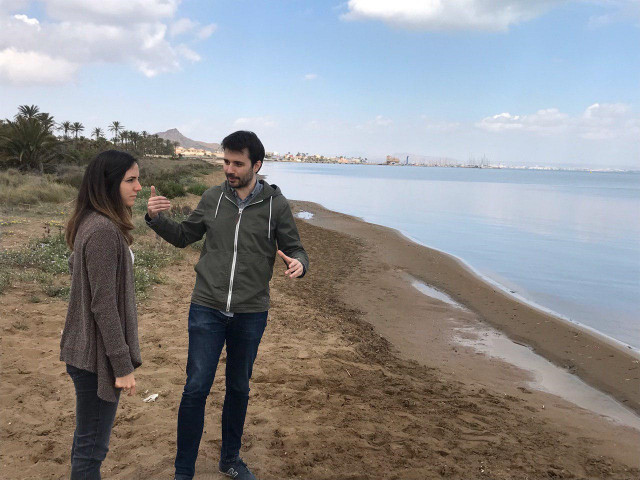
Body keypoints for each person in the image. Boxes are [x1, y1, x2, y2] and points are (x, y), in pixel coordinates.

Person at [146, 131, 309, 480]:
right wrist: (156, 220)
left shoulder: (275, 206)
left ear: (257, 165)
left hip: (251, 311)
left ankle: (230, 460)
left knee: (238, 387)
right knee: (196, 388)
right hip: (207, 307)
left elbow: (295, 247)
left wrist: (299, 263)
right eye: (226, 162)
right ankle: (183, 471)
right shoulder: (212, 198)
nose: (229, 169)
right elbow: (183, 236)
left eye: (237, 163)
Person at [61, 150, 143, 479]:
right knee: (92, 450)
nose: (138, 186)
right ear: (109, 185)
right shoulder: (103, 231)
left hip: (86, 352)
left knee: (88, 443)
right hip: (97, 360)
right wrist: (122, 367)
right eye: (130, 180)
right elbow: (103, 306)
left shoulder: (90, 223)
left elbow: (76, 268)